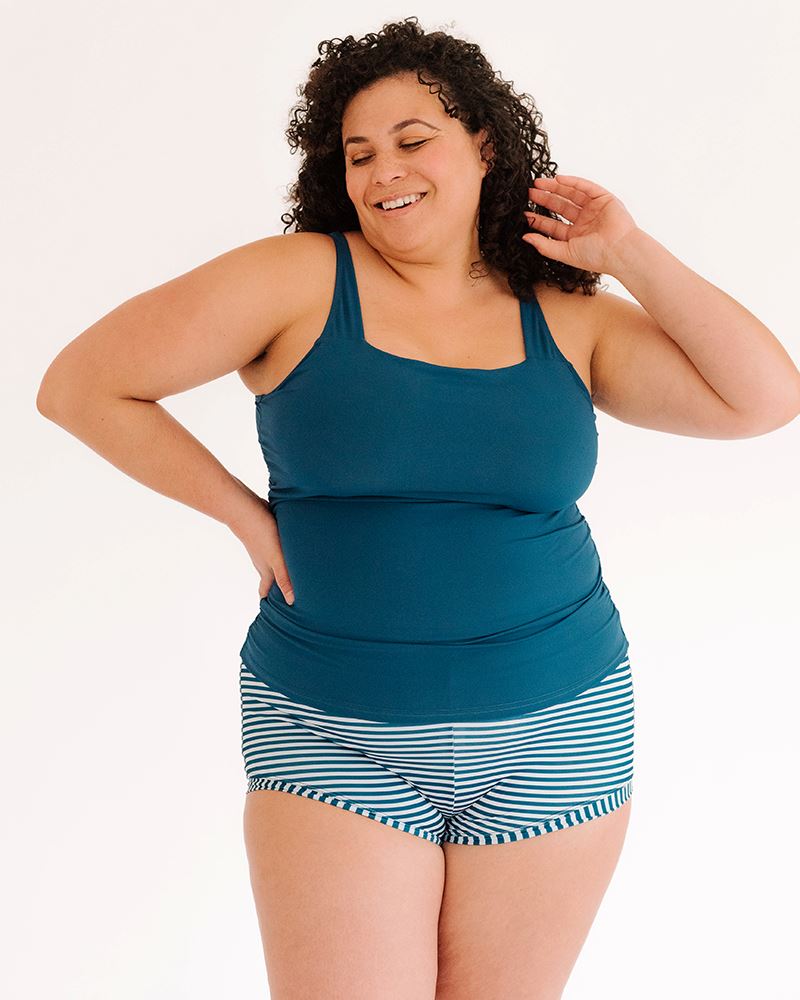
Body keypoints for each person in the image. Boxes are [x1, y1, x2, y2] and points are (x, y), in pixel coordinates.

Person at [36, 16, 800, 999]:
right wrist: (239, 512)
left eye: (410, 140)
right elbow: (82, 385)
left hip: (556, 729)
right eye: (356, 153)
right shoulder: (300, 279)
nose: (380, 171)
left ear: (484, 147)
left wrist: (629, 250)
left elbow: (763, 399)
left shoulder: (566, 317)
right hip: (332, 731)